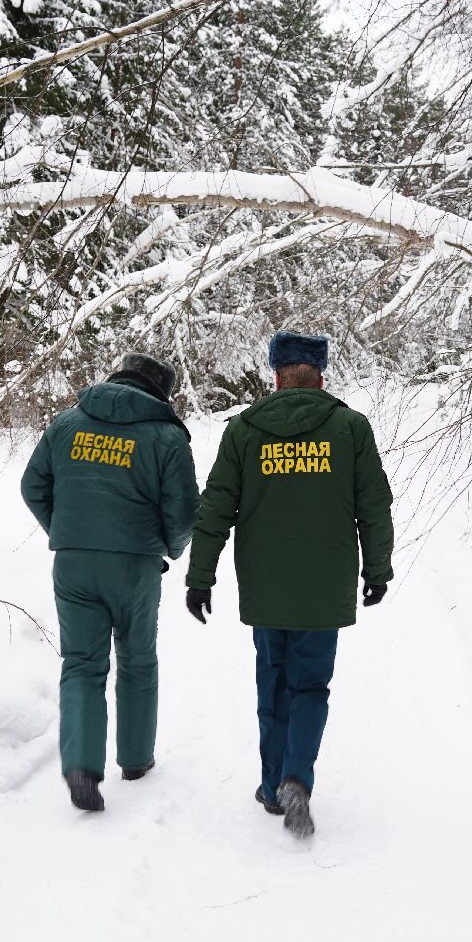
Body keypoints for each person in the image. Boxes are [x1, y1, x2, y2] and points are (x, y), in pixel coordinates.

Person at [183, 331, 394, 838]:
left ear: (275, 377)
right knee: (310, 686)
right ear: (321, 376)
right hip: (325, 587)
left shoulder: (244, 431)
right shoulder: (349, 428)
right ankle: (297, 776)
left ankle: (272, 781)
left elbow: (215, 509)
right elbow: (374, 506)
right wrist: (377, 569)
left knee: (271, 683)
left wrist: (200, 576)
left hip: (266, 585)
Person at [21, 352, 199, 812]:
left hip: (74, 564)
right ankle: (136, 761)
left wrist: (67, 531)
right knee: (137, 659)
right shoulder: (166, 435)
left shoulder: (66, 424)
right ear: (161, 392)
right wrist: (169, 549)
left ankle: (81, 765)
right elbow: (182, 513)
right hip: (134, 565)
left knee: (81, 663)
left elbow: (32, 486)